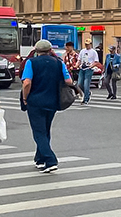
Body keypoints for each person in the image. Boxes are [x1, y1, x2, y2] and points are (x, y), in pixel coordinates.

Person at [21, 39, 75, 173]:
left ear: (36, 51)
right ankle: (40, 159)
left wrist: (25, 98)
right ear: (50, 50)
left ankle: (50, 160)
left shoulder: (31, 62)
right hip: (53, 101)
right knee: (45, 130)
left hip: (35, 102)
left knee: (38, 132)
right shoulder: (59, 63)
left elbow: (27, 83)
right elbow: (68, 81)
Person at [78, 40, 99, 105]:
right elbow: (79, 59)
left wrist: (91, 66)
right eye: (86, 44)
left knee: (86, 84)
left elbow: (96, 61)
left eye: (88, 44)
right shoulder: (82, 51)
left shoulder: (93, 52)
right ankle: (87, 93)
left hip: (89, 69)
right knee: (79, 84)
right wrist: (77, 65)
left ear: (91, 44)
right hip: (82, 68)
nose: (87, 45)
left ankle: (85, 99)